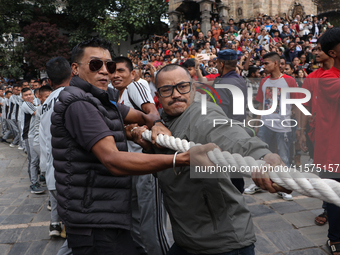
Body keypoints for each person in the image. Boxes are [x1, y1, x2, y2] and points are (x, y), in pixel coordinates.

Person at [51, 38, 212, 255]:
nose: (105, 72)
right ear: (76, 69)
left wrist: (154, 123)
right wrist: (180, 159)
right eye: (95, 64)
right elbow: (113, 160)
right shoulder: (80, 103)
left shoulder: (100, 99)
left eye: (108, 65)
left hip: (105, 210)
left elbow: (142, 114)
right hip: (94, 217)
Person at [131, 64, 290, 255]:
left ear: (193, 88)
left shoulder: (202, 114)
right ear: (158, 94)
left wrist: (263, 156)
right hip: (186, 240)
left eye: (182, 86)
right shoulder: (164, 123)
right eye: (167, 89)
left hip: (223, 244)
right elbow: (166, 169)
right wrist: (149, 147)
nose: (175, 94)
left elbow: (230, 135)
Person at [112, 56, 170, 255]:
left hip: (146, 166)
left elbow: (151, 111)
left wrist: (156, 125)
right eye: (113, 71)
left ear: (133, 74)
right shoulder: (120, 97)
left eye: (121, 71)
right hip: (133, 166)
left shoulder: (135, 87)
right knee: (136, 220)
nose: (116, 75)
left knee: (151, 227)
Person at [244, 52, 301, 201]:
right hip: (266, 125)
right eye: (263, 64)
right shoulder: (264, 81)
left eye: (266, 63)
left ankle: (284, 186)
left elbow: (296, 105)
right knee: (261, 156)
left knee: (283, 158)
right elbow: (262, 105)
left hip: (284, 126)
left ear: (276, 63)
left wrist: (298, 128)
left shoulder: (289, 81)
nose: (263, 67)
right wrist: (258, 123)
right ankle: (258, 183)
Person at [297, 40, 334, 227]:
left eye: (320, 49)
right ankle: (329, 208)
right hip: (317, 134)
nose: (316, 52)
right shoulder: (311, 77)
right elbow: (305, 107)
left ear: (332, 52)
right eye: (315, 49)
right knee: (326, 174)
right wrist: (302, 131)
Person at [40, 57, 72, 237]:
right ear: (73, 73)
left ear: (49, 82)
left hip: (53, 173)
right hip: (72, 174)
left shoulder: (45, 105)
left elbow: (44, 140)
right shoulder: (74, 95)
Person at [316, 27, 340, 254]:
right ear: (333, 53)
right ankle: (335, 240)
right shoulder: (328, 78)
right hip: (335, 152)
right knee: (335, 198)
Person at [20, 88, 44, 194]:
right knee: (33, 161)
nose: (29, 96)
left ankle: (39, 178)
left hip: (35, 135)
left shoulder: (33, 103)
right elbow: (37, 113)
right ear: (22, 97)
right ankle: (33, 184)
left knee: (36, 159)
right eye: (26, 95)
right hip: (30, 136)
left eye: (30, 94)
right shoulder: (26, 104)